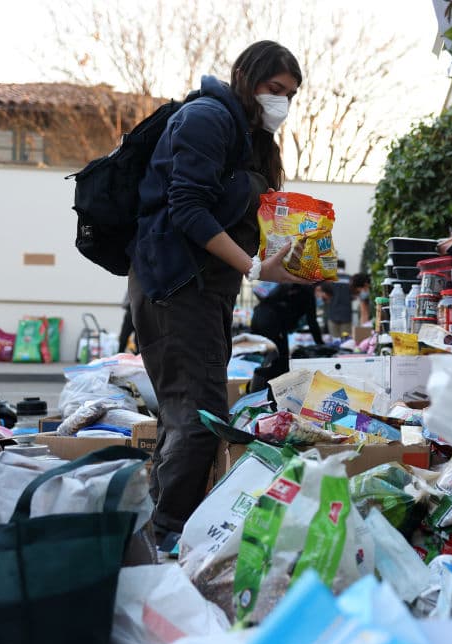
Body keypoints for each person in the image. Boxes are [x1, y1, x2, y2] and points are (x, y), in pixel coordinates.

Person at [127, 41, 308, 542]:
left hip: (200, 290)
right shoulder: (208, 118)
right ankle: (167, 538)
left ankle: (158, 529)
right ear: (247, 78)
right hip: (175, 286)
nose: (282, 102)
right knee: (202, 416)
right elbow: (187, 208)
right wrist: (253, 266)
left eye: (291, 94)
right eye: (275, 89)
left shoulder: (246, 137)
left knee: (186, 410)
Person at [251, 283, 324, 374]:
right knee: (281, 363)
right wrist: (320, 344)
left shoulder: (286, 286)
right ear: (317, 288)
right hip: (273, 325)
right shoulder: (307, 294)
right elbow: (312, 322)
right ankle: (269, 384)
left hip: (258, 319)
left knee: (270, 360)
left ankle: (262, 382)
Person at [318, 259, 353, 337]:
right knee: (346, 341)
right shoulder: (350, 279)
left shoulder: (329, 280)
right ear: (344, 267)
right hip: (346, 314)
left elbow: (324, 297)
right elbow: (353, 296)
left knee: (335, 341)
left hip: (332, 314)